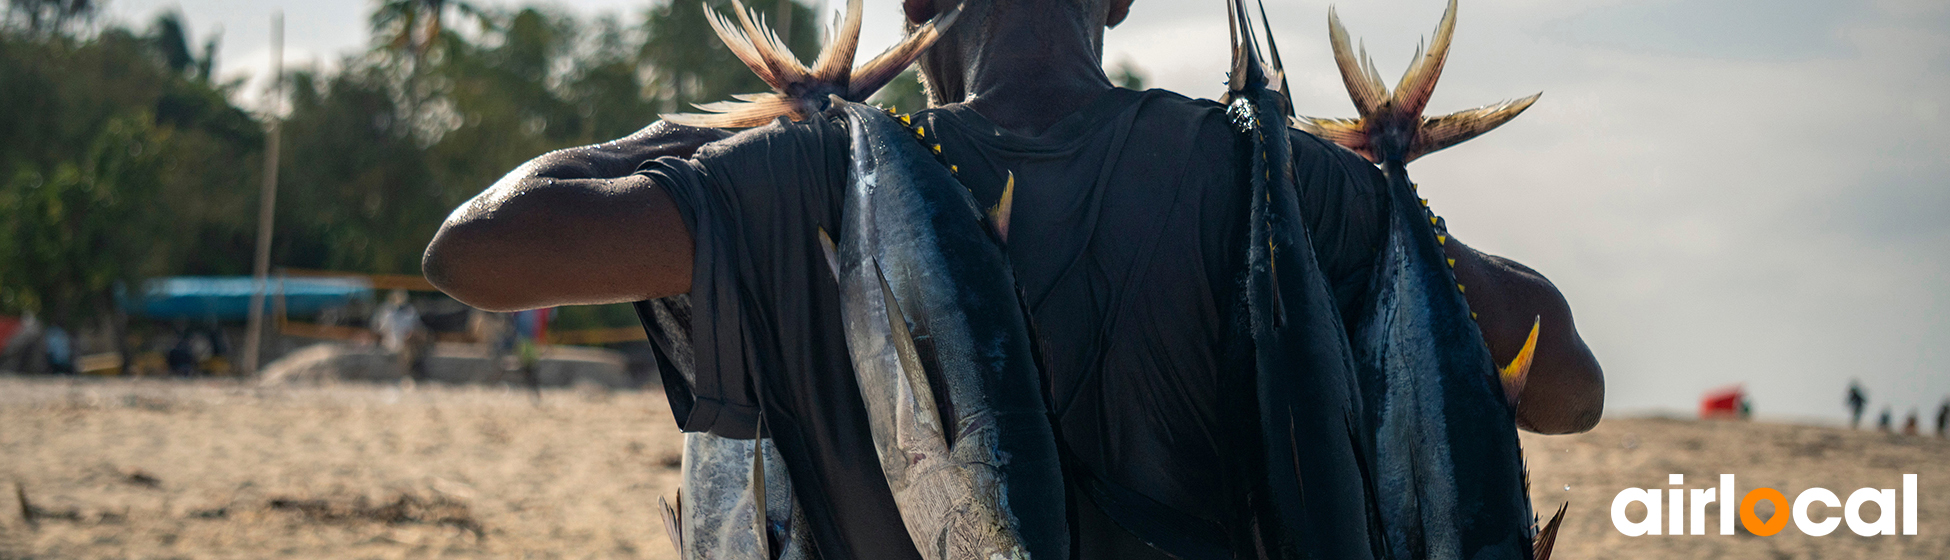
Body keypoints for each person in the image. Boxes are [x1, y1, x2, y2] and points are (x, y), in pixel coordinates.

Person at [422, 1, 1606, 557]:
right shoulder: (1265, 179)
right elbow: (1567, 385)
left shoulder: (808, 178)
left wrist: (719, 150)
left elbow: (479, 251)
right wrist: (1390, 214)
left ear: (914, 5)